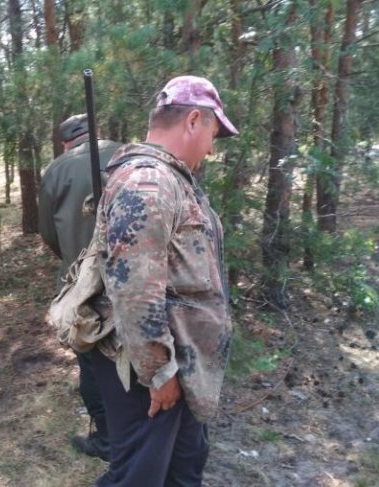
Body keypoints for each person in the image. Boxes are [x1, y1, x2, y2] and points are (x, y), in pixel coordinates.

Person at [90, 75, 239, 486]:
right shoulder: (149, 183)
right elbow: (134, 290)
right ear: (193, 120)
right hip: (153, 371)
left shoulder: (169, 179)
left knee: (183, 468)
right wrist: (160, 373)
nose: (211, 149)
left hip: (180, 363)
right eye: (213, 133)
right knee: (140, 476)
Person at [38, 114, 121, 461]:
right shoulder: (127, 153)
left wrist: (74, 256)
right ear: (98, 132)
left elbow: (48, 233)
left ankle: (107, 439)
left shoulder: (56, 171)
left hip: (82, 287)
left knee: (91, 362)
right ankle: (136, 427)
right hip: (131, 281)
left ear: (65, 143)